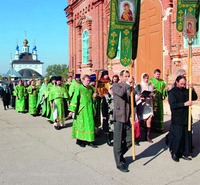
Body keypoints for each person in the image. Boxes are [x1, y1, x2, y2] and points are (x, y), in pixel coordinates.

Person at [167, 75, 198, 162]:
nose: (183, 85)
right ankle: (175, 152)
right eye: (181, 84)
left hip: (186, 117)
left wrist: (192, 88)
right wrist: (184, 104)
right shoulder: (172, 92)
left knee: (186, 136)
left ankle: (185, 152)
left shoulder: (186, 90)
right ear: (176, 82)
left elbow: (194, 97)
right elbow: (173, 105)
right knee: (178, 136)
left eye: (184, 84)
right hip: (177, 118)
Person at [112, 70, 134, 173]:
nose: (127, 78)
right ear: (121, 77)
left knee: (130, 139)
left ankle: (120, 154)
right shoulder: (116, 86)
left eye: (128, 76)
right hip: (119, 117)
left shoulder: (129, 87)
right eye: (125, 76)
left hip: (128, 117)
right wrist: (128, 83)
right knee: (118, 141)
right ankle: (119, 163)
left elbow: (131, 102)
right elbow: (121, 93)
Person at [68, 74, 98, 148]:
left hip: (90, 109)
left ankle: (90, 141)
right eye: (87, 80)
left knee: (90, 125)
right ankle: (80, 141)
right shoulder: (79, 88)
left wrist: (94, 97)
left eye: (89, 80)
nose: (88, 82)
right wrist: (71, 110)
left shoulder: (91, 89)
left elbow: (93, 100)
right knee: (81, 126)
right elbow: (75, 99)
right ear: (83, 80)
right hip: (81, 110)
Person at [135, 73, 154, 143]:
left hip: (149, 104)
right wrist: (142, 97)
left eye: (147, 78)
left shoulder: (150, 85)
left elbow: (152, 93)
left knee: (149, 120)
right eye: (145, 78)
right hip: (142, 104)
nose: (146, 79)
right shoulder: (139, 85)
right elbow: (137, 94)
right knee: (140, 121)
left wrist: (152, 95)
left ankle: (148, 136)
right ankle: (138, 136)